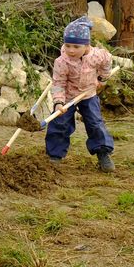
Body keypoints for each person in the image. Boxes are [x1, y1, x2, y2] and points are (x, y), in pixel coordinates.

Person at [46, 16, 116, 173]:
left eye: (76, 46)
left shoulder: (97, 55)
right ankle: (54, 156)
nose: (71, 50)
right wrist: (58, 102)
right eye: (68, 45)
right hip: (68, 96)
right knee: (59, 123)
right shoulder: (62, 61)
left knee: (95, 123)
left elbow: (107, 61)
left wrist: (102, 79)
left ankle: (103, 153)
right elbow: (58, 83)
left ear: (86, 45)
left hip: (88, 94)